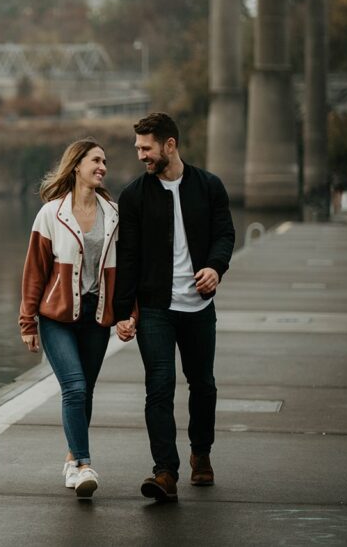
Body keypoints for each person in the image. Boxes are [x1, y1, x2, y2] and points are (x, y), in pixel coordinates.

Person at [113, 112, 234, 503]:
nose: (141, 156)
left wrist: (215, 268)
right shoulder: (133, 196)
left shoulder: (209, 186)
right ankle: (165, 471)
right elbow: (127, 256)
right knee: (159, 388)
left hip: (199, 307)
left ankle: (202, 454)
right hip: (155, 309)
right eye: (137, 148)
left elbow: (225, 234)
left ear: (170, 145)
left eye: (146, 148)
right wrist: (122, 312)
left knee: (204, 385)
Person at [19, 138, 120, 499]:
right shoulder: (51, 214)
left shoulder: (113, 213)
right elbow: (34, 272)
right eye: (96, 160)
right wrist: (27, 323)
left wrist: (128, 314)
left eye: (105, 162)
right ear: (76, 165)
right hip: (57, 316)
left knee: (85, 392)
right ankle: (84, 464)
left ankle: (70, 460)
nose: (102, 167)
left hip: (96, 316)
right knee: (74, 387)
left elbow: (122, 271)